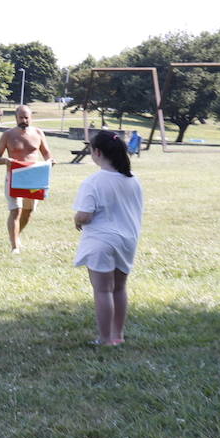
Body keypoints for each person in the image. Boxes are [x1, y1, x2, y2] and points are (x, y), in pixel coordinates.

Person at [73, 131, 143, 346]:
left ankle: (104, 339)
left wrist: (77, 219)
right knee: (119, 288)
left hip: (101, 241)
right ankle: (117, 335)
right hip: (127, 240)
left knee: (103, 290)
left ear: (97, 152)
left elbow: (85, 215)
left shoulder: (93, 182)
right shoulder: (132, 180)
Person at [0, 104, 53, 253]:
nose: (24, 120)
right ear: (16, 117)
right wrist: (6, 160)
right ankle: (15, 247)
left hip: (33, 177)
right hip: (14, 176)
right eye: (21, 117)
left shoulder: (38, 133)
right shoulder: (8, 135)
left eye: (27, 117)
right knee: (16, 210)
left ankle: (16, 236)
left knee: (28, 211)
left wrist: (51, 161)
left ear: (31, 118)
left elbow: (47, 154)